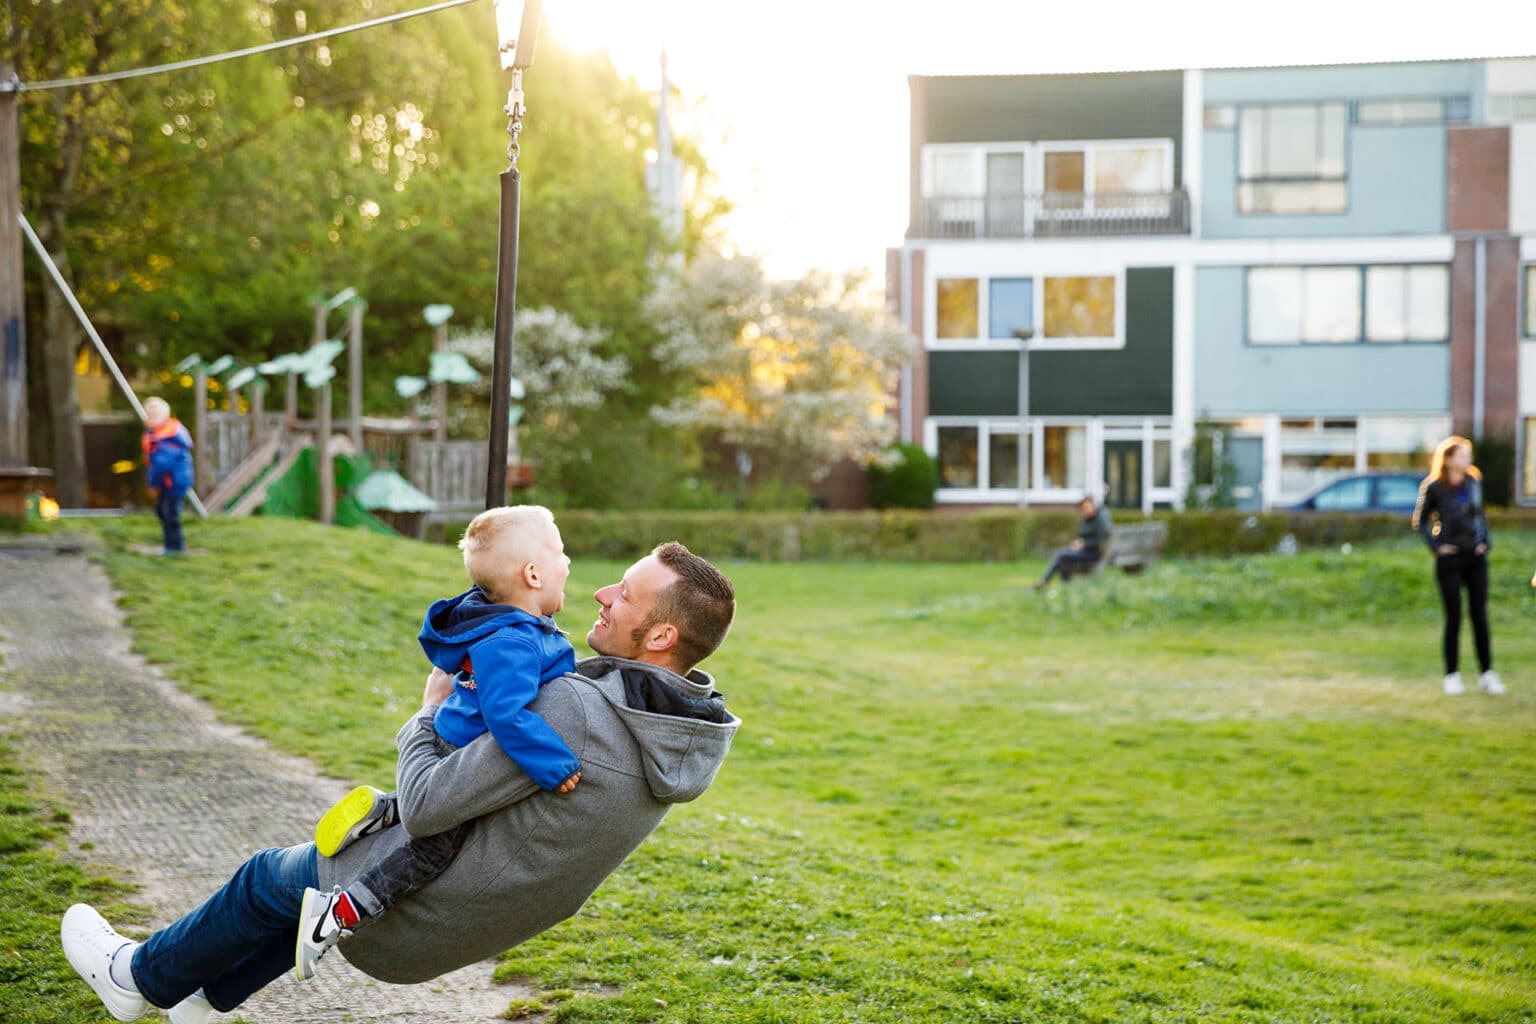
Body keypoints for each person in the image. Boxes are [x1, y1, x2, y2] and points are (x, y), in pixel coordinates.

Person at [60, 542, 739, 1024]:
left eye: (624, 595)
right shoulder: (675, 735)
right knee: (289, 892)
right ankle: (202, 1002)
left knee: (268, 878)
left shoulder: (576, 713)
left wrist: (428, 709)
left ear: (660, 636)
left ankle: (134, 978)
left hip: (400, 910)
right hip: (465, 928)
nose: (601, 594)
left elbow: (424, 806)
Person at [294, 505, 584, 980]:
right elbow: (507, 716)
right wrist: (554, 764)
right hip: (459, 751)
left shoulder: (510, 627)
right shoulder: (511, 642)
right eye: (561, 552)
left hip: (454, 738)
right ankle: (337, 913)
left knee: (445, 828)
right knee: (432, 851)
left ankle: (385, 811)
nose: (568, 562)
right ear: (533, 574)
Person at [1412, 435, 1505, 696]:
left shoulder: (1474, 482)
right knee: (1454, 618)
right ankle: (1452, 675)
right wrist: (1437, 546)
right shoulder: (1433, 487)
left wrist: (1485, 542)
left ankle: (1487, 674)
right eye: (1463, 455)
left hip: (1475, 559)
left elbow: (1480, 516)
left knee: (1480, 616)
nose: (1468, 460)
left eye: (1469, 455)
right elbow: (1418, 521)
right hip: (1449, 561)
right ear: (1449, 458)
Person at [141, 397, 194, 555]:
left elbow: (162, 465)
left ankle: (175, 547)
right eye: (149, 414)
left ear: (165, 416)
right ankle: (171, 545)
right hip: (168, 481)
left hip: (173, 482)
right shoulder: (158, 434)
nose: (151, 418)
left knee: (170, 514)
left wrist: (153, 484)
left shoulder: (167, 437)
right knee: (163, 511)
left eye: (155, 415)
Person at [1034, 494, 1113, 589]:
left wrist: (1084, 544)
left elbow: (1101, 539)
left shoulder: (1101, 519)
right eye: (1083, 508)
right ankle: (1064, 586)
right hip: (1085, 551)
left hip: (1093, 554)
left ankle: (1045, 581)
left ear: (1093, 505)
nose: (1085, 509)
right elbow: (1084, 536)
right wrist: (1079, 542)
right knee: (1063, 557)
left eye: (1087, 506)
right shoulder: (1087, 519)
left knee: (1062, 554)